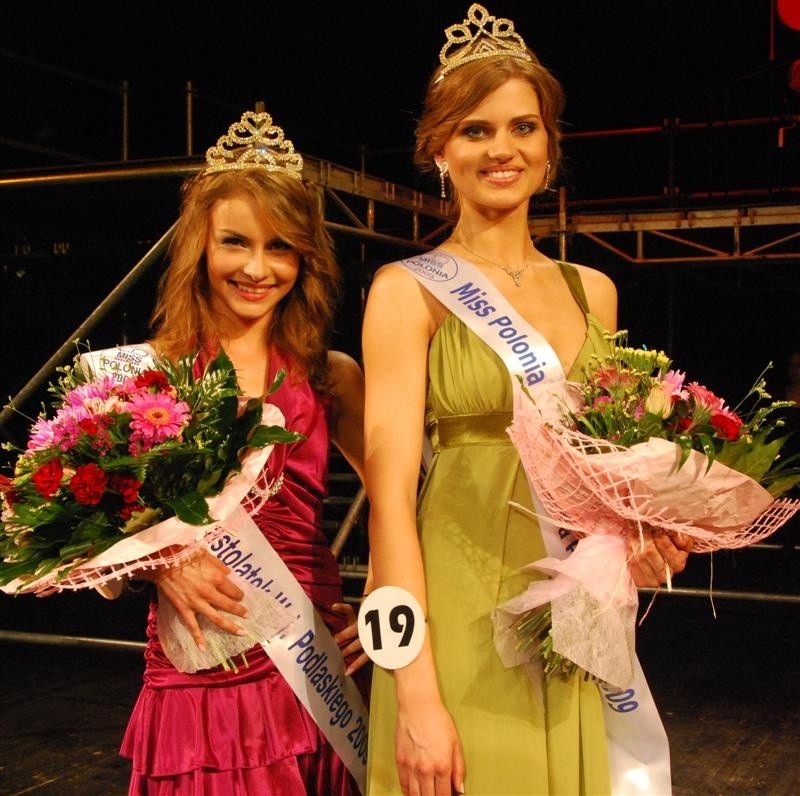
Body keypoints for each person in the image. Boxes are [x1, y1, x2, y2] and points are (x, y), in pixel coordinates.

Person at [361, 5, 692, 795]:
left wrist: (650, 532)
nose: (502, 149)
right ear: (439, 149)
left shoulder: (595, 291)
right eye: (475, 130)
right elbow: (389, 502)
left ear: (549, 145)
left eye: (523, 127)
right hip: (455, 605)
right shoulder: (407, 292)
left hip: (570, 608)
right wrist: (414, 689)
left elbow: (609, 469)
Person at [119, 108, 370, 794]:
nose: (258, 268)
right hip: (196, 664)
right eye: (236, 242)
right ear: (199, 245)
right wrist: (158, 564)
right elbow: (98, 560)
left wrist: (388, 590)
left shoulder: (330, 375)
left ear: (305, 258)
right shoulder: (149, 378)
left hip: (311, 666)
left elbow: (414, 489)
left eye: (281, 247)